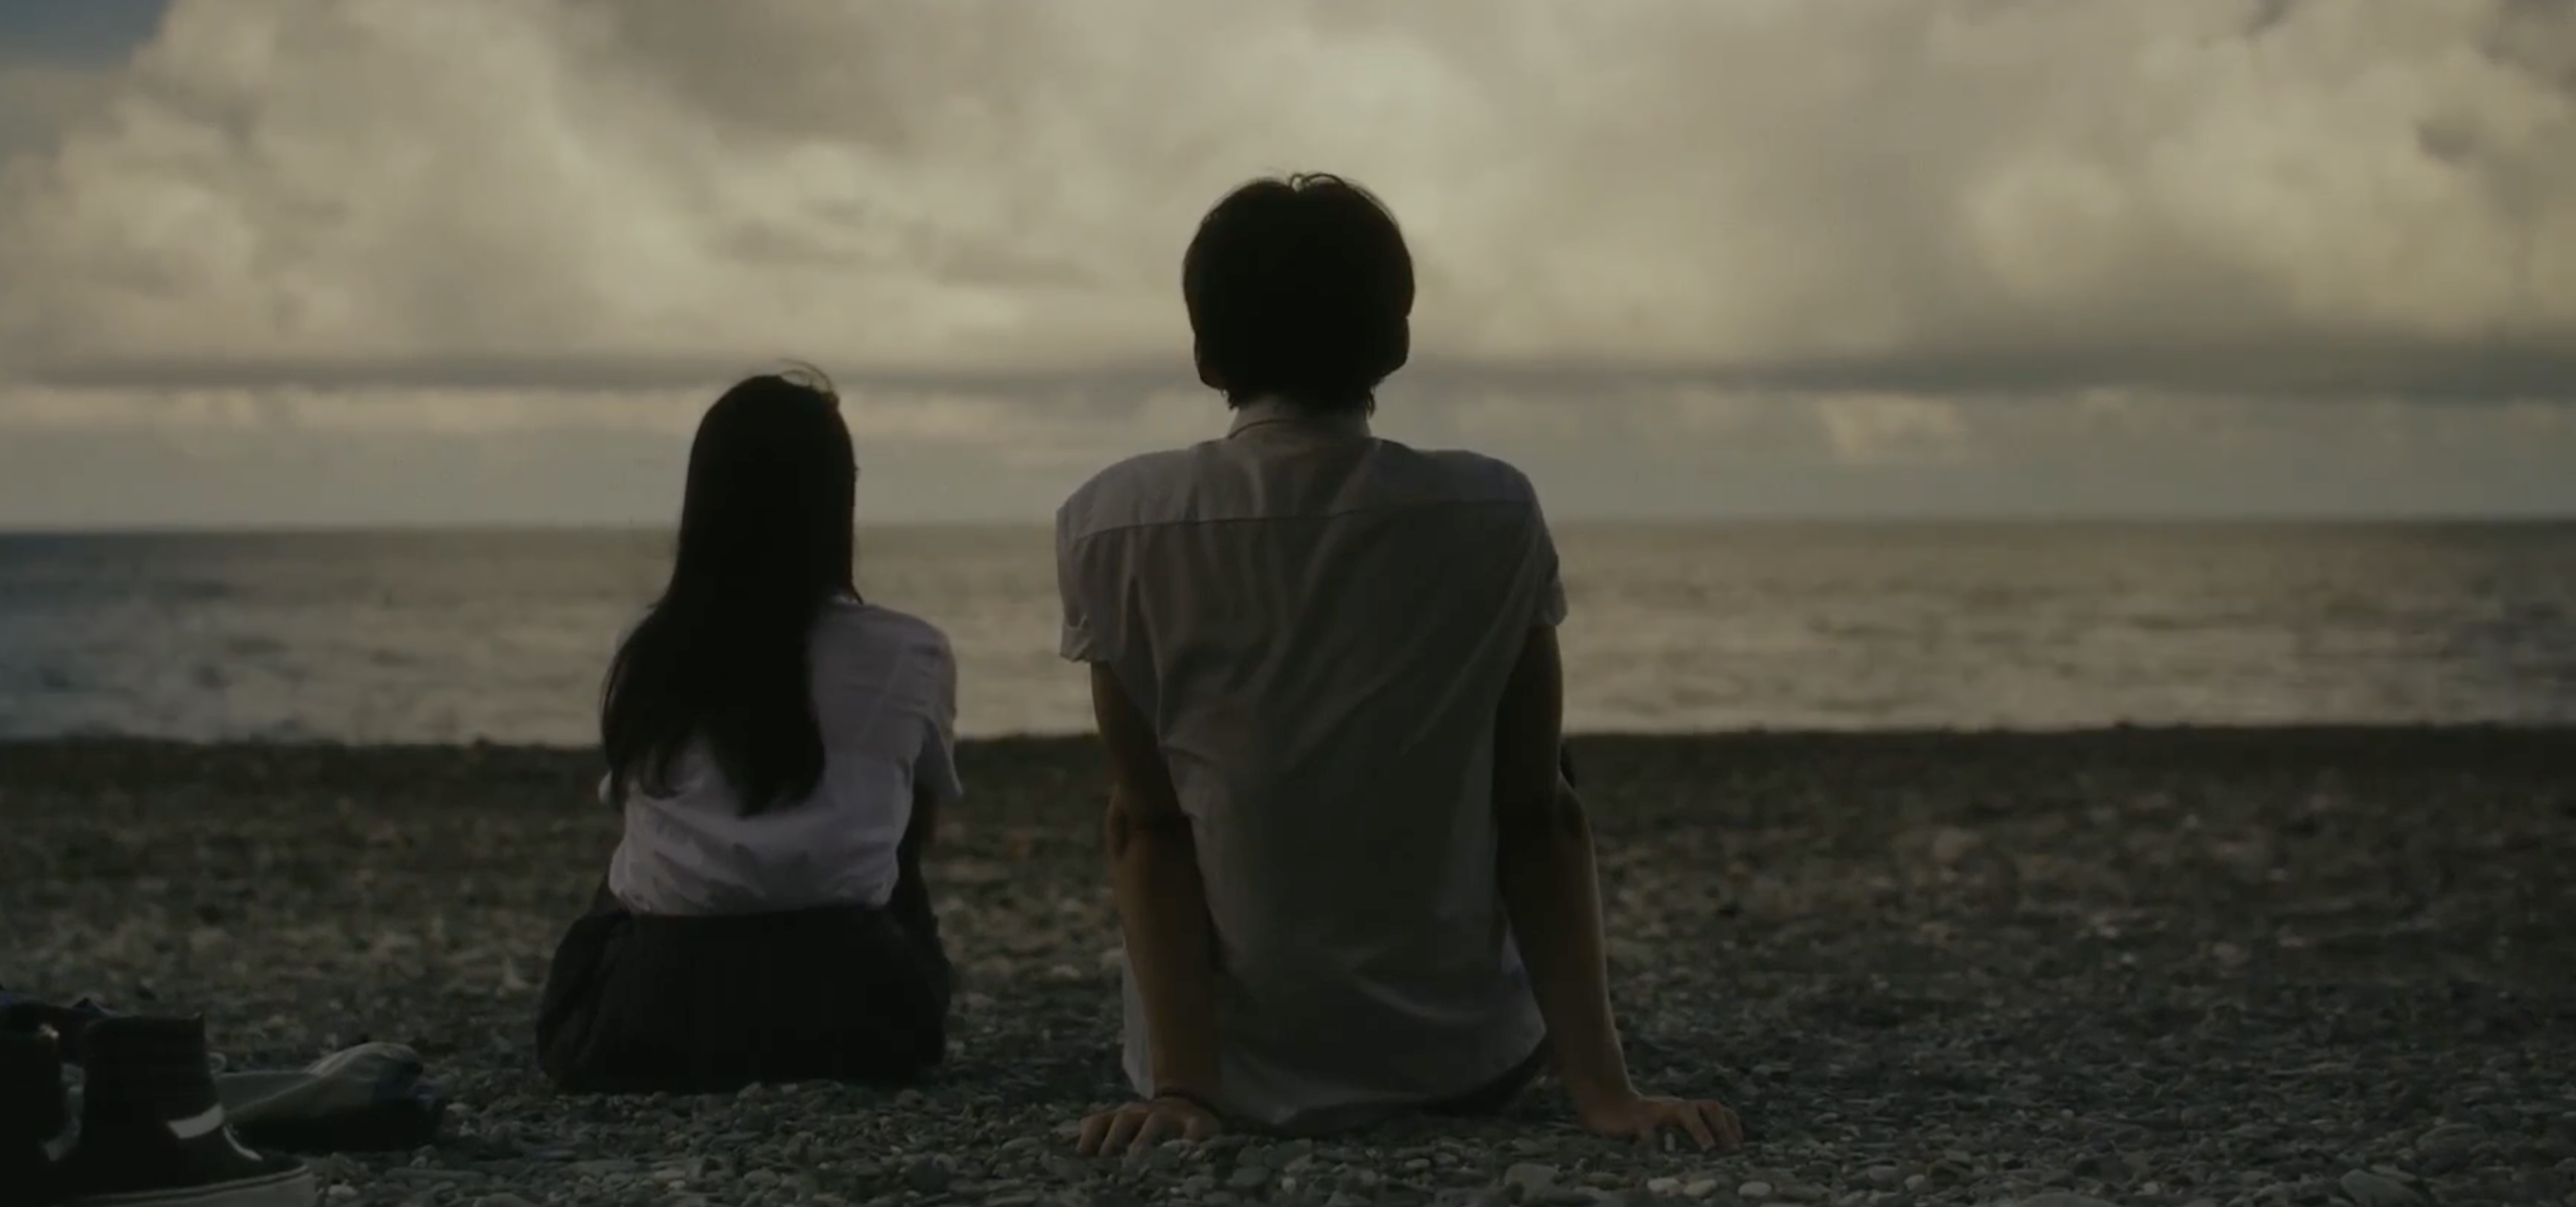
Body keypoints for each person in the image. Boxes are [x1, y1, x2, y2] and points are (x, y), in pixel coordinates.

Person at [1053, 174, 1745, 1153]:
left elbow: (1147, 825)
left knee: (1163, 799)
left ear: (1206, 354)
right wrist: (1605, 1094)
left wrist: (1185, 1091)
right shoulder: (1491, 510)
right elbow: (1536, 818)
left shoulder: (1113, 522)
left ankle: (1187, 1073)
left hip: (1231, 1075)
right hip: (1463, 1061)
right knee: (1535, 765)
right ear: (1396, 341)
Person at [536, 369, 961, 1095]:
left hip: (643, 1014)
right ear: (837, 504)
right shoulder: (911, 650)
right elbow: (913, 826)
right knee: (895, 821)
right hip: (859, 1009)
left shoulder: (649, 647)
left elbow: (634, 804)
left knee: (630, 863)